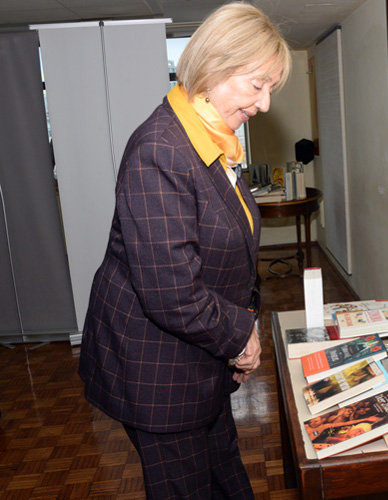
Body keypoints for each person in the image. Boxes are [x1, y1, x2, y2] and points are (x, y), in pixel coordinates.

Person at [77, 3, 291, 499]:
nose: (263, 105)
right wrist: (243, 336)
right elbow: (171, 291)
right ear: (214, 68)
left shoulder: (208, 137)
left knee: (227, 479)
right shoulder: (161, 149)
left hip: (199, 357)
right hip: (160, 371)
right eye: (257, 85)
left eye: (271, 90)